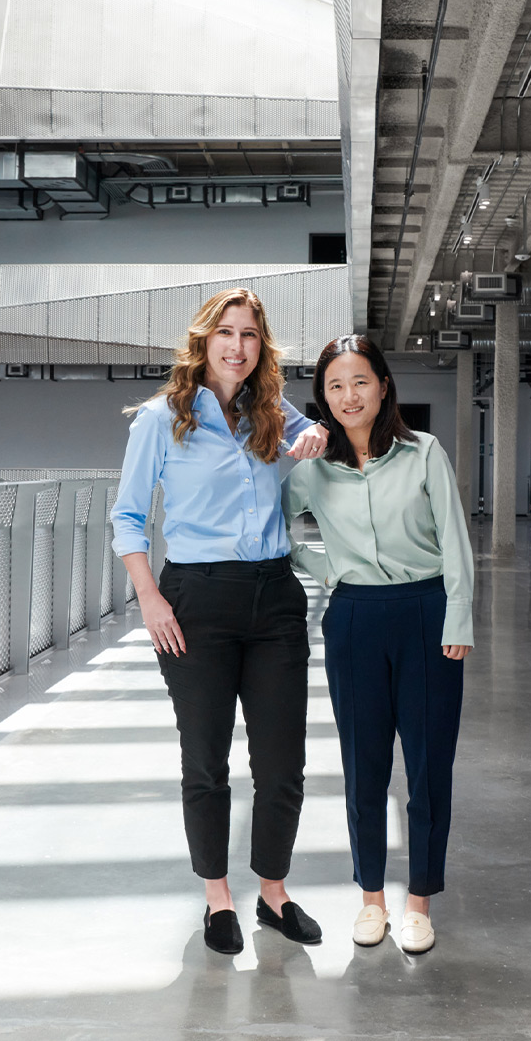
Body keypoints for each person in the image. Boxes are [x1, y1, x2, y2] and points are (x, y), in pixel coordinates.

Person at [110, 287, 329, 956]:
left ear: (262, 347)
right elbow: (127, 518)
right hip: (196, 602)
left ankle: (273, 893)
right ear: (204, 340)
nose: (238, 346)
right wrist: (150, 599)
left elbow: (310, 439)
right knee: (206, 761)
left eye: (251, 335)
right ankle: (217, 899)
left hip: (273, 597)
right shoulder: (163, 418)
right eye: (227, 333)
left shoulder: (270, 411)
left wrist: (313, 434)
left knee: (282, 763)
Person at [282, 335, 474, 955]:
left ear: (383, 386)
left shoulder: (423, 453)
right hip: (355, 619)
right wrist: (327, 568)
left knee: (427, 767)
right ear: (323, 399)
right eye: (335, 386)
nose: (348, 395)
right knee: (364, 767)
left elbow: (455, 540)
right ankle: (371, 900)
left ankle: (418, 903)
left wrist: (459, 620)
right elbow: (272, 526)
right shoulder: (312, 469)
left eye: (359, 381)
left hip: (425, 613)